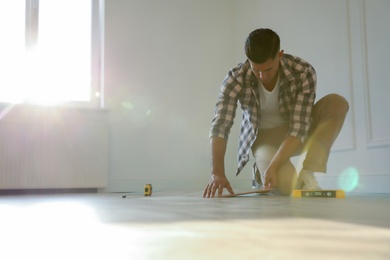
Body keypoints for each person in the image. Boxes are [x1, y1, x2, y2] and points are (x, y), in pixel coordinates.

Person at [203, 28, 349, 198]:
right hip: (264, 139)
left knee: (336, 103)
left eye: (268, 70)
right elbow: (221, 125)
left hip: (295, 134)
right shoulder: (235, 79)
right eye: (255, 69)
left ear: (280, 55)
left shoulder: (303, 72)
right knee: (287, 186)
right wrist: (217, 173)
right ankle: (259, 172)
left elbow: (299, 127)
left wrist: (275, 165)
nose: (262, 76)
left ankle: (308, 172)